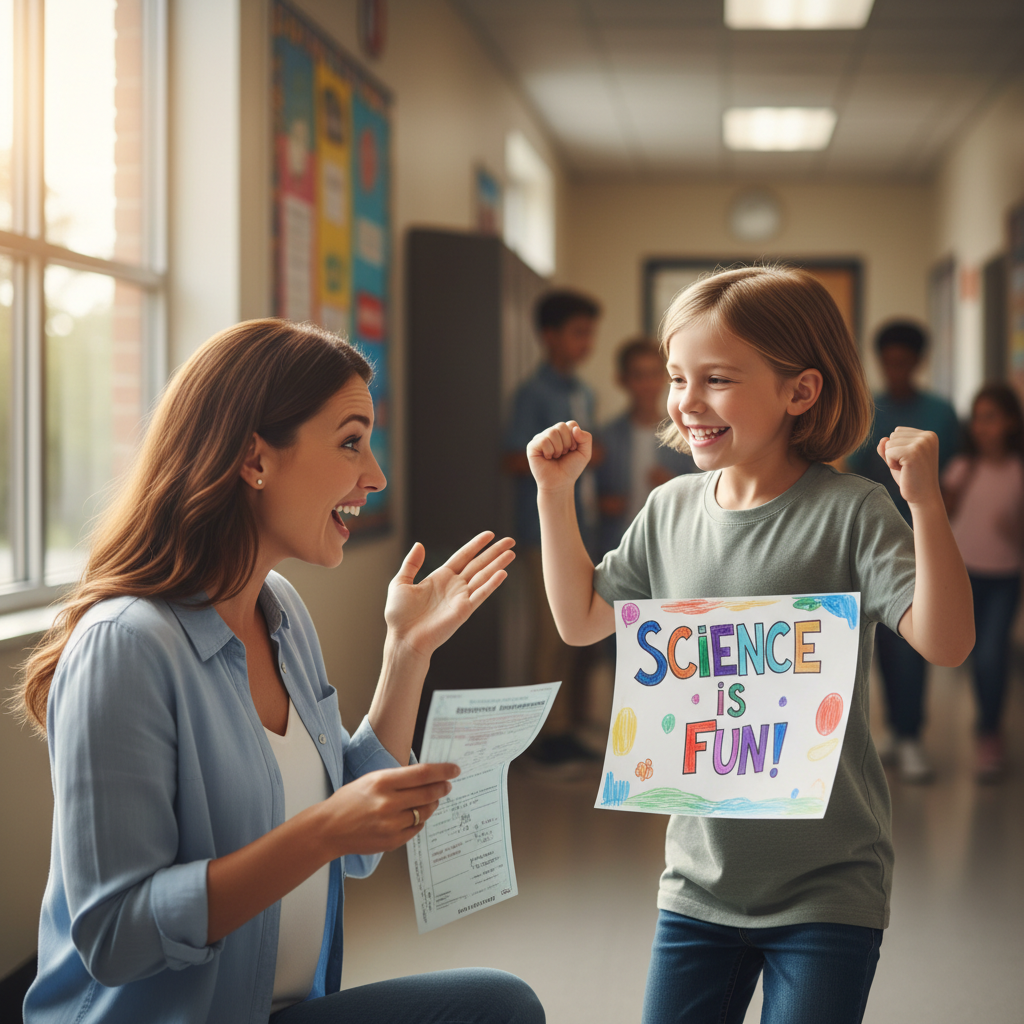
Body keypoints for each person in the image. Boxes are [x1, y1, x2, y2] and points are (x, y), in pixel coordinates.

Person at [17, 320, 544, 1024]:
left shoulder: (281, 611)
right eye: (351, 440)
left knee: (498, 1004)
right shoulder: (125, 645)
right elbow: (117, 937)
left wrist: (407, 651)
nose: (375, 475)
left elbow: (351, 846)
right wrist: (322, 831)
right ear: (254, 459)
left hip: (277, 1006)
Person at [525, 267, 973, 1024]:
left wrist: (924, 503)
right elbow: (582, 620)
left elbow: (948, 642)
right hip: (697, 884)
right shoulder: (668, 510)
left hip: (831, 887)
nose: (686, 402)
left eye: (717, 379)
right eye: (677, 377)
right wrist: (552, 493)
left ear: (800, 392)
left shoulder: (853, 512)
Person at [846, 320, 962, 783]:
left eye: (904, 362)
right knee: (874, 644)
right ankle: (891, 731)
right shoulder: (866, 410)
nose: (896, 370)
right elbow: (850, 472)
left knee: (913, 641)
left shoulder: (940, 413)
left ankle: (910, 733)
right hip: (868, 542)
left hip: (920, 543)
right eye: (888, 362)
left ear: (917, 362)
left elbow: (956, 474)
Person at [504, 289, 602, 767]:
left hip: (582, 528)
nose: (587, 342)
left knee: (576, 635)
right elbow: (509, 457)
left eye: (590, 333)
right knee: (550, 635)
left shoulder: (584, 391)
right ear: (549, 336)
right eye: (578, 332)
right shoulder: (533, 393)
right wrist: (558, 460)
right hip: (540, 535)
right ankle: (540, 741)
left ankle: (566, 728)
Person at [941, 382, 1024, 781]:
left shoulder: (1017, 472)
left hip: (1005, 578)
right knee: (976, 656)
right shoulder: (961, 469)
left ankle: (988, 731)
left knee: (993, 655)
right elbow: (940, 520)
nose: (982, 426)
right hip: (966, 577)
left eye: (990, 417)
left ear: (1010, 422)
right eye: (977, 418)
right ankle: (986, 724)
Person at [596, 337, 697, 557]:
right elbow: (589, 493)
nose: (647, 384)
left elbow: (703, 492)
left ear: (665, 378)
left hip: (669, 546)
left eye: (654, 374)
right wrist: (601, 503)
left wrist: (673, 485)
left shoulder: (685, 434)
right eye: (638, 376)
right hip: (616, 544)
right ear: (622, 380)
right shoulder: (607, 437)